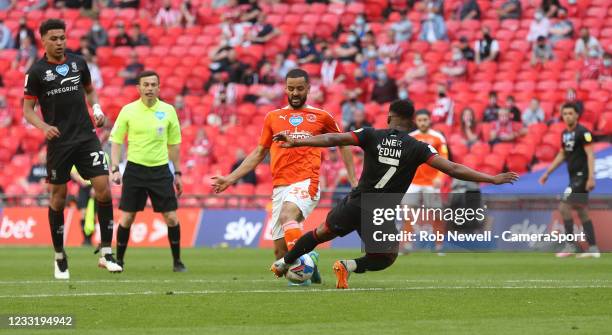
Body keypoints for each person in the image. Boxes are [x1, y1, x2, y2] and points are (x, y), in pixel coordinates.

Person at [270, 99, 518, 289]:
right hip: (380, 211)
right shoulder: (417, 147)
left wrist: (297, 141)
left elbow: (334, 138)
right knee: (385, 257)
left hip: (355, 202)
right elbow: (452, 168)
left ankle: (284, 263)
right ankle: (348, 265)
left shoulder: (370, 134)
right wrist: (491, 178)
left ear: (389, 117)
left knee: (318, 234)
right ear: (411, 123)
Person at [212, 68, 357, 285]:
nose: (295, 92)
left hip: (307, 180)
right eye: (291, 88)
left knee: (288, 216)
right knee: (280, 253)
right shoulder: (273, 117)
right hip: (280, 185)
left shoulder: (321, 116)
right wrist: (231, 178)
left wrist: (353, 179)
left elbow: (344, 141)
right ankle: (309, 262)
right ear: (285, 89)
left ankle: (302, 265)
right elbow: (259, 152)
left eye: (300, 88)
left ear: (308, 88)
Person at [23, 19, 121, 279]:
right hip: (59, 142)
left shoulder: (78, 63)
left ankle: (106, 253)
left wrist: (97, 110)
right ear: (43, 40)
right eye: (53, 38)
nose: (59, 42)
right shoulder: (36, 72)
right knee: (58, 197)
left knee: (103, 188)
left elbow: (90, 91)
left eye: (62, 38)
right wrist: (44, 127)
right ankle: (59, 256)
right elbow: (27, 111)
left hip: (86, 136)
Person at [110, 70, 186, 272]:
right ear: (139, 88)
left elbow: (174, 145)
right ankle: (119, 261)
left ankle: (177, 261)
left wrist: (177, 173)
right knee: (127, 217)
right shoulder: (128, 110)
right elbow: (116, 141)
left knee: (171, 217)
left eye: (153, 85)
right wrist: (115, 168)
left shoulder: (169, 111)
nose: (150, 88)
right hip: (134, 169)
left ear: (159, 88)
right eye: (146, 85)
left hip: (160, 170)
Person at [539, 103, 599, 258]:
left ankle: (570, 245)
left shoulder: (584, 133)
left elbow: (591, 155)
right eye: (565, 113)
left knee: (564, 207)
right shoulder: (565, 134)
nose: (567, 116)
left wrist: (591, 177)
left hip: (582, 177)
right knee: (582, 211)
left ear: (577, 115)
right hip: (573, 177)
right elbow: (562, 155)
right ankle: (593, 249)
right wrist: (547, 173)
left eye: (570, 113)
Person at [402, 109, 449, 254]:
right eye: (420, 120)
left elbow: (444, 159)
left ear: (430, 120)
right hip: (413, 182)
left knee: (437, 214)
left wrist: (440, 177)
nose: (423, 122)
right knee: (408, 214)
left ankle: (439, 246)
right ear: (416, 121)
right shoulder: (410, 137)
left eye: (425, 120)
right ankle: (406, 245)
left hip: (431, 183)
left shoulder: (438, 138)